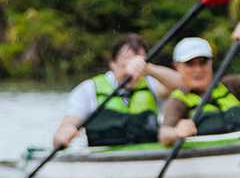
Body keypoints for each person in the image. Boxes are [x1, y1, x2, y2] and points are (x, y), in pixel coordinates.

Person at [52, 33, 181, 149]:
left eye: (137, 68)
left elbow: (182, 85)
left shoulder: (153, 85)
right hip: (103, 159)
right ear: (112, 63)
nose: (130, 73)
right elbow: (70, 121)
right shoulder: (88, 89)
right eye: (124, 65)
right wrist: (65, 132)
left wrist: (149, 68)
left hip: (146, 156)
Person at [158, 25, 240, 145]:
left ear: (211, 63)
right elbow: (164, 135)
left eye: (203, 62)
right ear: (177, 67)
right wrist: (177, 132)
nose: (198, 70)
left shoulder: (230, 86)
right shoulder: (178, 101)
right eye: (190, 64)